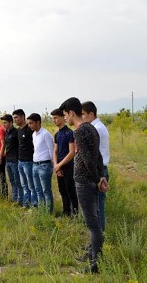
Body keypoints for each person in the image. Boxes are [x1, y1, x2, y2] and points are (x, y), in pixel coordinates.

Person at [59, 97, 108, 274]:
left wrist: (97, 179)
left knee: (92, 224)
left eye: (65, 115)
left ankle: (96, 264)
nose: (65, 118)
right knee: (94, 221)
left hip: (84, 182)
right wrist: (101, 177)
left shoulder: (79, 131)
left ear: (72, 113)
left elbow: (88, 159)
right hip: (91, 181)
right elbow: (99, 156)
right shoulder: (91, 128)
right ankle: (93, 256)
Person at [82, 101, 110, 232]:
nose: (81, 117)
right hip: (98, 169)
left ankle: (100, 236)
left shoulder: (96, 128)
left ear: (91, 114)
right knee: (95, 206)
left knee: (98, 206)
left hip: (99, 170)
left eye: (83, 114)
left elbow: (93, 155)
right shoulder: (96, 126)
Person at [51, 109, 78, 216]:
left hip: (68, 166)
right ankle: (66, 212)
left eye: (56, 117)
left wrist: (59, 165)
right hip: (59, 167)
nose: (54, 120)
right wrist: (55, 166)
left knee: (70, 191)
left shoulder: (70, 133)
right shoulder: (57, 134)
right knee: (62, 191)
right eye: (53, 118)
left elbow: (72, 152)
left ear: (63, 117)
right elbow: (55, 151)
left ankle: (74, 214)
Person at [27, 113, 54, 213]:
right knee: (38, 190)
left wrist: (53, 166)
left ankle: (48, 213)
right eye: (28, 123)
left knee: (46, 191)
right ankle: (42, 211)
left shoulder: (45, 134)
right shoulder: (34, 134)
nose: (29, 125)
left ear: (38, 122)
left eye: (31, 123)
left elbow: (51, 151)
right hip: (35, 165)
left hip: (44, 166)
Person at [13, 109, 36, 208]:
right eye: (14, 118)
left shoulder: (29, 130)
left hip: (29, 161)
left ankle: (34, 205)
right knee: (24, 185)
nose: (15, 120)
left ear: (23, 117)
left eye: (16, 117)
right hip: (20, 161)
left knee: (31, 186)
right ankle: (26, 205)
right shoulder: (18, 131)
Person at [1, 114, 23, 205]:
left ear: (11, 122)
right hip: (8, 160)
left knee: (18, 182)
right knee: (12, 181)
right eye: (3, 123)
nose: (4, 125)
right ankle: (15, 199)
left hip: (15, 160)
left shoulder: (16, 132)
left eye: (5, 123)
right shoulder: (6, 133)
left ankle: (20, 200)